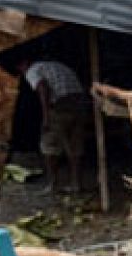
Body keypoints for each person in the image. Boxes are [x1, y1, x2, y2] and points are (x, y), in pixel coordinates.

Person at [19, 57, 91, 194]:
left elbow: (43, 88)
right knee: (74, 146)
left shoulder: (32, 71)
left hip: (61, 105)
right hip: (79, 104)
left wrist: (46, 117)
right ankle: (76, 184)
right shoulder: (55, 65)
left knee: (48, 145)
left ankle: (53, 184)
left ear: (24, 64)